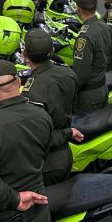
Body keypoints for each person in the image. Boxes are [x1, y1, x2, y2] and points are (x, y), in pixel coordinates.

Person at [0, 60, 52, 222]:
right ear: (19, 82)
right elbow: (44, 153)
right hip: (39, 206)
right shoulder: (42, 115)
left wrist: (15, 199)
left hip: (5, 215)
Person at [21, 29, 80, 185]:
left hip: (47, 163)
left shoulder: (31, 93)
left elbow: (38, 138)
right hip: (66, 154)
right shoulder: (68, 73)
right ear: (52, 50)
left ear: (25, 55)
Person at [72, 0, 110, 113]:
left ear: (78, 9)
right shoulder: (104, 26)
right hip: (102, 86)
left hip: (88, 96)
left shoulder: (84, 37)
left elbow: (81, 74)